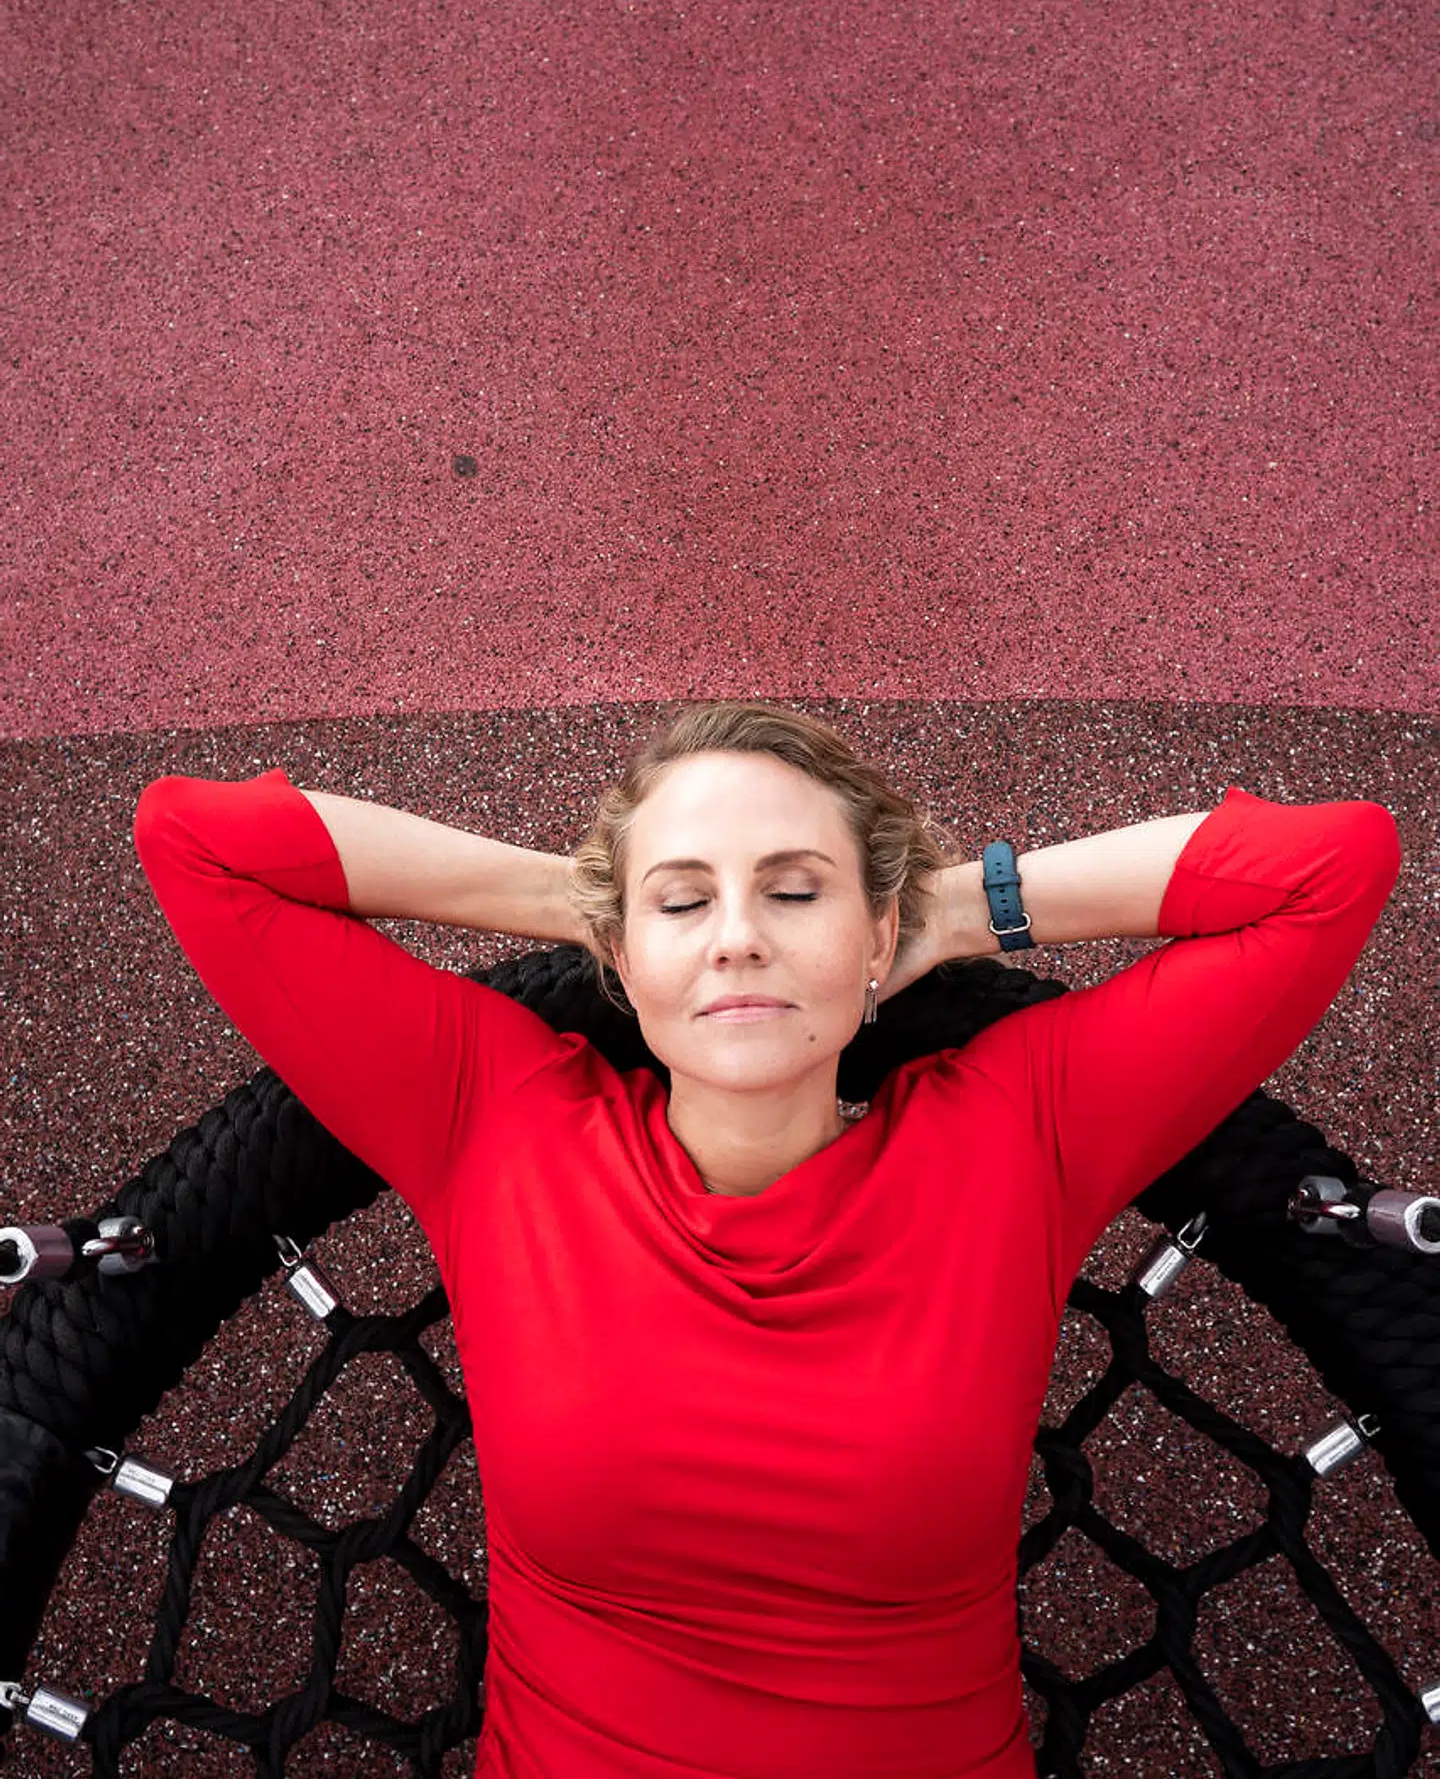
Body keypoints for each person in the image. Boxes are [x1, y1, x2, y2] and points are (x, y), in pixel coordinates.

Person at [132, 700, 1402, 1779]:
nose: (738, 932)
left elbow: (1330, 866)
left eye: (795, 892)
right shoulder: (493, 1116)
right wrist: (585, 901)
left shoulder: (1022, 1134)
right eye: (685, 901)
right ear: (623, 951)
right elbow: (195, 839)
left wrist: (958, 911)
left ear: (874, 934)